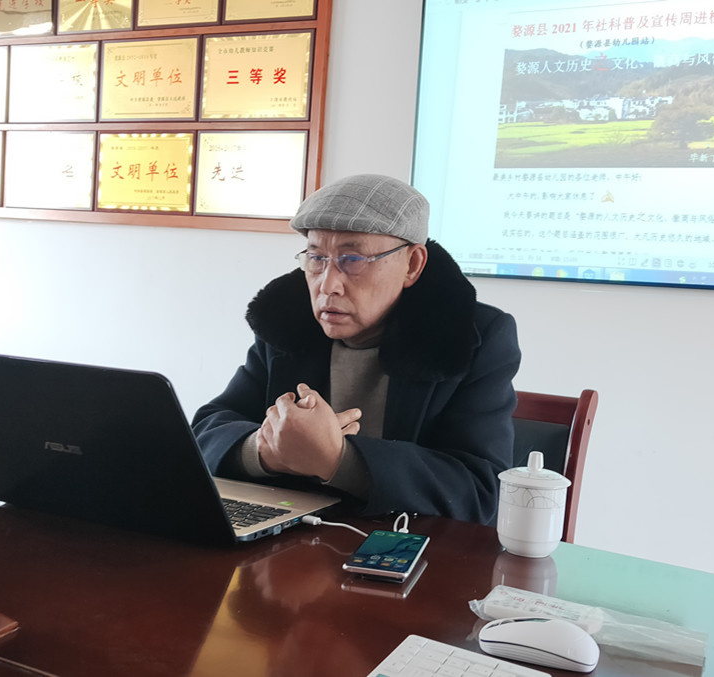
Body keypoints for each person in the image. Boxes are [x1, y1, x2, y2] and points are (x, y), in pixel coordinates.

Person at [192, 174, 521, 524]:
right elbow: (205, 432)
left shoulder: (472, 337)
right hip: (293, 537)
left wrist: (338, 459)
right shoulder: (286, 322)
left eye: (352, 259)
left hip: (403, 541)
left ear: (412, 265)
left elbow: (480, 491)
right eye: (316, 258)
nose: (328, 285)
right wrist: (264, 449)